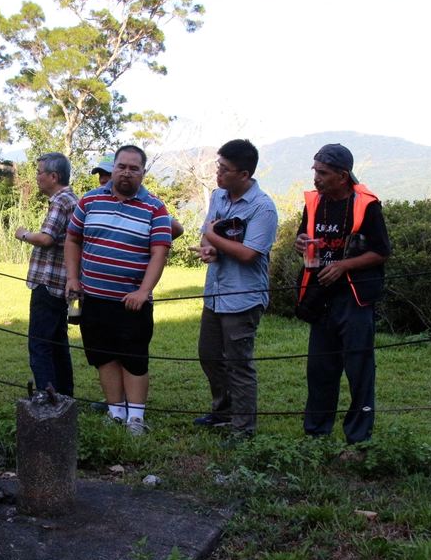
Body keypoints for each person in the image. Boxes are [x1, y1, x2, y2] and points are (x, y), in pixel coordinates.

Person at [65, 144, 173, 435]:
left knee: (134, 358)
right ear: (113, 167)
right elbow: (73, 240)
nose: (126, 173)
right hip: (93, 298)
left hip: (132, 301)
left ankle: (136, 418)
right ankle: (115, 411)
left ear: (142, 172)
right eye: (121, 166)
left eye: (133, 168)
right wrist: (73, 278)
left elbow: (159, 252)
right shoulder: (88, 201)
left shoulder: (156, 207)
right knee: (103, 355)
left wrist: (143, 291)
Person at [294, 144, 390, 444]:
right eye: (315, 170)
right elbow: (304, 235)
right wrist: (301, 244)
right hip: (319, 294)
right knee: (320, 368)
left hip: (355, 298)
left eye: (322, 173)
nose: (316, 178)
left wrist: (343, 266)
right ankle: (316, 434)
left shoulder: (367, 204)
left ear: (342, 175)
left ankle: (358, 438)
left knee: (359, 369)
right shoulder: (314, 203)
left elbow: (381, 252)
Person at [193, 139, 278, 437]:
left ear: (244, 174)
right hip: (215, 293)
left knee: (239, 364)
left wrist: (210, 238)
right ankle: (223, 411)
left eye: (225, 169)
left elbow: (248, 254)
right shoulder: (219, 197)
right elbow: (211, 235)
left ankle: (243, 429)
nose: (219, 173)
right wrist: (208, 248)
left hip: (243, 297)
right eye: (219, 166)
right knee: (209, 355)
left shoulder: (263, 208)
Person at [14, 152, 79, 396]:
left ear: (54, 176)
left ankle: (46, 395)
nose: (37, 177)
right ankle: (64, 395)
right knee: (58, 343)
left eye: (39, 173)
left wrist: (22, 234)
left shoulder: (61, 201)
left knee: (40, 343)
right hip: (63, 283)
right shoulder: (72, 199)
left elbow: (46, 238)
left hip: (48, 282)